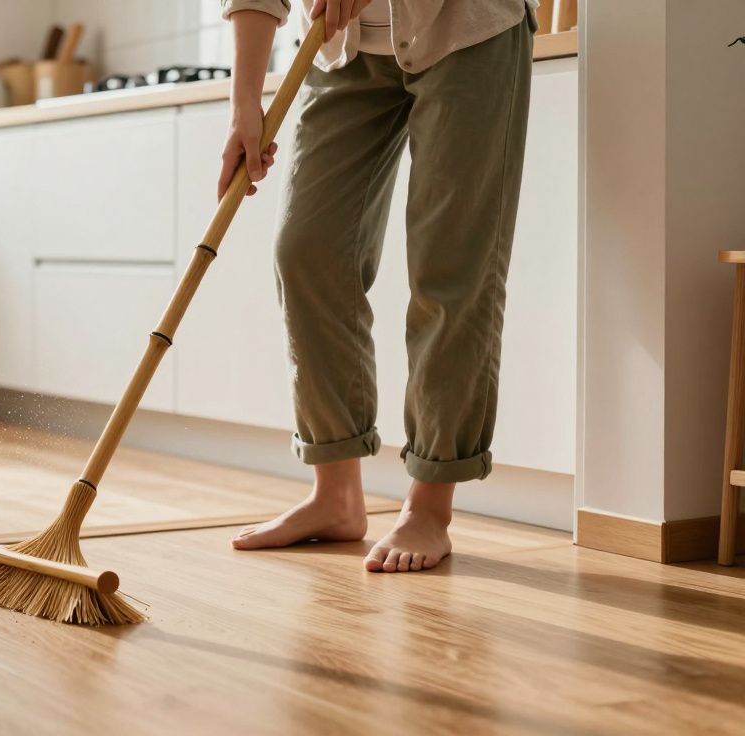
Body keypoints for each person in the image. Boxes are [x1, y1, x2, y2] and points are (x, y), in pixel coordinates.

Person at [220, 0, 538, 572]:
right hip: (340, 47)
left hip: (466, 30)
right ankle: (335, 494)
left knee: (450, 268)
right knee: (307, 251)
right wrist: (244, 100)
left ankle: (430, 506)